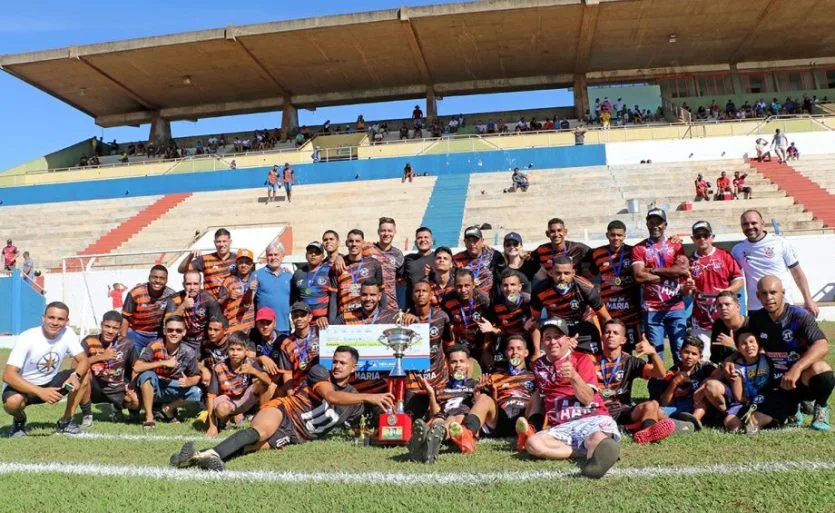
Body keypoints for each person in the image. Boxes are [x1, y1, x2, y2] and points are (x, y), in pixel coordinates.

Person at [170, 345, 394, 471]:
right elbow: (331, 396)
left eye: (342, 363)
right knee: (259, 433)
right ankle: (215, 454)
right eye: (335, 361)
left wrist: (382, 436)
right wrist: (369, 397)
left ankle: (194, 458)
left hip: (295, 434)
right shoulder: (320, 372)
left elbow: (357, 431)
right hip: (284, 410)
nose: (336, 366)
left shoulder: (354, 402)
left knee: (254, 447)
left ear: (353, 367)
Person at [521, 318, 621, 479]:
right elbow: (540, 397)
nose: (552, 341)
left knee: (595, 438)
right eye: (547, 337)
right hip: (562, 426)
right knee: (533, 444)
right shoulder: (538, 365)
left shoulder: (582, 359)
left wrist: (574, 376)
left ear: (568, 340)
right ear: (542, 342)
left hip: (590, 418)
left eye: (557, 336)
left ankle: (595, 460)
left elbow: (588, 398)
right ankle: (586, 452)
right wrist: (532, 424)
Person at [746, 276, 832, 430]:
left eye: (773, 292)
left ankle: (821, 408)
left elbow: (822, 345)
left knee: (822, 369)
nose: (769, 298)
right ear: (758, 296)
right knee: (752, 423)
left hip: (801, 379)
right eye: (764, 293)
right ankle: (792, 410)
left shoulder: (799, 315)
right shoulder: (756, 320)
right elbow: (745, 342)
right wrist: (732, 356)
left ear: (782, 293)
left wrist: (797, 368)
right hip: (776, 383)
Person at [437, 336, 536, 455]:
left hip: (524, 416)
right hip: (501, 418)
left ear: (526, 352)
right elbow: (487, 405)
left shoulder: (534, 376)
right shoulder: (494, 376)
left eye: (519, 349)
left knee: (538, 395)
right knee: (484, 398)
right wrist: (489, 392)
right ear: (506, 353)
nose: (515, 352)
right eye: (510, 349)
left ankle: (529, 433)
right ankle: (466, 435)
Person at [2, 302, 90, 436]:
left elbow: (84, 360)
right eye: (51, 317)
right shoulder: (27, 337)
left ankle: (66, 421)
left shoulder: (68, 333)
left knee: (85, 374)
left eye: (60, 319)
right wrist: (40, 392)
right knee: (13, 403)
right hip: (25, 387)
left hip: (51, 383)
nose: (55, 322)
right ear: (43, 318)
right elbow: (8, 376)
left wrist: (75, 376)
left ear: (67, 321)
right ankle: (19, 420)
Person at [594, 319, 676, 443]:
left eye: (615, 333)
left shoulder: (630, 361)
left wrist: (653, 354)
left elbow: (660, 374)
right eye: (607, 332)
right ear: (602, 337)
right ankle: (640, 428)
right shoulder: (591, 360)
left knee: (652, 405)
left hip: (622, 411)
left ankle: (645, 434)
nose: (610, 335)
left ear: (623, 340)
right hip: (598, 412)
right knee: (658, 414)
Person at [731, 210, 818, 317]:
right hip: (756, 307)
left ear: (762, 223)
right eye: (745, 224)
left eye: (754, 223)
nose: (750, 227)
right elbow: (733, 278)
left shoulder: (780, 242)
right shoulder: (737, 250)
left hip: (783, 304)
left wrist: (808, 299)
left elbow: (797, 272)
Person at [632, 208, 690, 362]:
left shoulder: (676, 245)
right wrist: (670, 274)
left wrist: (654, 270)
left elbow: (682, 269)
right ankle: (658, 386)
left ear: (665, 225)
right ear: (647, 224)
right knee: (655, 354)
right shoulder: (639, 248)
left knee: (680, 350)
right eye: (651, 222)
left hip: (675, 306)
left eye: (659, 222)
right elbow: (639, 276)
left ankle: (680, 385)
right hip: (652, 307)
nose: (655, 226)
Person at [690, 330, 772, 433]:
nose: (749, 346)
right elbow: (738, 397)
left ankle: (761, 421)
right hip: (744, 402)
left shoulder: (767, 359)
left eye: (752, 342)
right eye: (743, 343)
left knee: (762, 417)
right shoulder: (734, 365)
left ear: (758, 344)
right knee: (732, 424)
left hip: (765, 400)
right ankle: (725, 416)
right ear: (738, 348)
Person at [683, 221, 743, 360]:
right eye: (698, 236)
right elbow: (686, 292)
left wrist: (725, 292)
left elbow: (739, 281)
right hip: (701, 320)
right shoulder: (689, 261)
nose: (702, 238)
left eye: (705, 235)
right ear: (693, 239)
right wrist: (688, 288)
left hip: (725, 320)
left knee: (731, 358)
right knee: (703, 360)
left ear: (712, 237)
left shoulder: (724, 256)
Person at [408, 345, 478, 463]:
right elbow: (436, 413)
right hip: (443, 416)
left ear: (468, 364)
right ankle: (428, 438)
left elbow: (478, 407)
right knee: (437, 421)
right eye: (454, 362)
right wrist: (431, 393)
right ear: (448, 365)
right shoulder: (441, 387)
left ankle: (430, 439)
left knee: (454, 418)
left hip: (460, 420)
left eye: (462, 361)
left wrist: (477, 393)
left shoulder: (474, 385)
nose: (458, 365)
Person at [530, 256, 611, 352]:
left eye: (566, 273)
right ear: (551, 273)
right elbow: (535, 321)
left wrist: (608, 346)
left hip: (584, 327)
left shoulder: (587, 288)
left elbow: (606, 317)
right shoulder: (540, 290)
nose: (562, 278)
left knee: (592, 363)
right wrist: (536, 351)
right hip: (557, 329)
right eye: (558, 273)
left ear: (573, 273)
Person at [134, 315, 202, 429]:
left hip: (171, 387)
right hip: (153, 385)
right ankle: (149, 417)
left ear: (184, 332)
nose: (174, 333)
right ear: (165, 331)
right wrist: (163, 363)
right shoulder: (155, 345)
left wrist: (189, 381)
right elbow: (137, 367)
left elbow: (196, 376)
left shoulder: (189, 352)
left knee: (197, 392)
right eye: (170, 330)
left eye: (178, 330)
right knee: (146, 375)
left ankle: (168, 409)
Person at [401, 281, 454, 418]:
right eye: (417, 291)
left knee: (440, 416)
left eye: (424, 291)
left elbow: (449, 344)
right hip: (415, 380)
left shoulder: (442, 317)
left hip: (438, 378)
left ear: (431, 295)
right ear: (412, 296)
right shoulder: (403, 319)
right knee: (410, 418)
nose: (420, 294)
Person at [79, 311, 139, 426]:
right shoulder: (89, 340)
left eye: (115, 328)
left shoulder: (127, 344)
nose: (110, 331)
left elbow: (135, 368)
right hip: (94, 387)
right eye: (107, 326)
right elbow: (77, 364)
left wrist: (131, 386)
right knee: (84, 373)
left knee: (135, 400)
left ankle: (122, 409)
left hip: (116, 387)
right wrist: (102, 357)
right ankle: (87, 414)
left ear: (120, 329)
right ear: (101, 325)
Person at [205, 332, 271, 436]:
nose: (235, 353)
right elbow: (210, 396)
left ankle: (261, 418)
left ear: (246, 351)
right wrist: (212, 426)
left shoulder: (250, 363)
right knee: (222, 409)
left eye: (239, 349)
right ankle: (223, 420)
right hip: (227, 400)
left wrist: (254, 371)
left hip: (243, 400)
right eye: (232, 349)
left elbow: (268, 381)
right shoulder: (219, 367)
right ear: (227, 350)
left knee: (263, 385)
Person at [440, 269, 493, 371]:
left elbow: (488, 329)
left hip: (479, 342)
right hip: (458, 343)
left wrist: (486, 351)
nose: (463, 290)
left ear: (473, 285)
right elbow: (449, 329)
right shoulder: (447, 300)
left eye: (467, 285)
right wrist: (452, 351)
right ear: (454, 286)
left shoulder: (483, 300)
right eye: (459, 286)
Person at [652, 338, 716, 420]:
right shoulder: (672, 372)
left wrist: (705, 383)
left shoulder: (706, 369)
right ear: (680, 352)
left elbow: (719, 376)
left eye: (694, 354)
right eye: (686, 352)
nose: (689, 356)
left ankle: (693, 421)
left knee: (703, 401)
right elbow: (664, 403)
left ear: (700, 357)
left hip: (699, 406)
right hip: (678, 406)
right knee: (658, 412)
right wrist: (674, 383)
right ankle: (679, 422)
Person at [478, 270, 532, 362]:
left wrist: (529, 330)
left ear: (519, 287)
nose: (509, 289)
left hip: (527, 341)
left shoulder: (528, 301)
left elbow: (536, 324)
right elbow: (497, 330)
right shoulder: (496, 304)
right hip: (507, 342)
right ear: (501, 288)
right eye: (505, 285)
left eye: (513, 284)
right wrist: (486, 351)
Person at [165, 271, 223, 353]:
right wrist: (183, 306)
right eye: (188, 284)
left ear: (200, 284)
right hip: (180, 339)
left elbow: (217, 323)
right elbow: (166, 321)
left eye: (195, 284)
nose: (192, 287)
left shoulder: (208, 299)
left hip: (201, 341)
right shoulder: (174, 299)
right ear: (183, 284)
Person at [121, 265, 175, 352]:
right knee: (131, 359)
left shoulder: (171, 295)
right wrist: (122, 340)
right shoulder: (135, 292)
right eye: (155, 277)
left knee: (160, 360)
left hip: (157, 334)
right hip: (136, 332)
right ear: (149, 277)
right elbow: (125, 317)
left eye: (162, 278)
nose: (158, 281)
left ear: (166, 280)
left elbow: (169, 319)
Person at [331, 230, 383, 317]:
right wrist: (332, 322)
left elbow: (381, 293)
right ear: (347, 243)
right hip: (345, 317)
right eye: (351, 241)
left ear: (362, 243)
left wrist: (382, 316)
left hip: (367, 317)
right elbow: (333, 297)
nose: (354, 244)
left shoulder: (373, 264)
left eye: (357, 241)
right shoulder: (338, 265)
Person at [179, 228, 235, 300]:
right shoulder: (205, 259)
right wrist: (190, 256)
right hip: (211, 303)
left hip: (231, 304)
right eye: (218, 242)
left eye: (224, 241)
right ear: (214, 243)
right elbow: (182, 270)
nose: (221, 244)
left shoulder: (237, 259)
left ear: (230, 242)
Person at [364, 217, 405, 312]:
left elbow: (400, 279)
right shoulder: (366, 249)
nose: (386, 234)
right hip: (370, 305)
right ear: (378, 232)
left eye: (390, 231)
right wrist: (339, 257)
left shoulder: (398, 254)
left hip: (391, 306)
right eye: (383, 231)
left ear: (395, 232)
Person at [254, 243, 293, 336]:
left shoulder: (289, 276)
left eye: (276, 254)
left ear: (282, 256)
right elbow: (248, 302)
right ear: (266, 257)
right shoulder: (257, 275)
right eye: (270, 255)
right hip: (265, 328)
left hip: (285, 327)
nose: (273, 257)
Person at [454, 226, 503, 299]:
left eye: (475, 240)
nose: (472, 244)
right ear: (464, 241)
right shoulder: (456, 259)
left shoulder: (493, 255)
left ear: (482, 241)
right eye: (469, 240)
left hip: (489, 302)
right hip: (466, 302)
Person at [218, 249, 259, 334]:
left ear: (251, 265)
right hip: (232, 329)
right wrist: (228, 296)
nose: (244, 265)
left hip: (249, 329)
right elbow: (218, 303)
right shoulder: (228, 281)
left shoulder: (256, 280)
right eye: (241, 262)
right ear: (236, 264)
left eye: (247, 262)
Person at [290, 241, 332, 322]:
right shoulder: (298, 273)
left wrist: (329, 317)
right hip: (304, 320)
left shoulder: (329, 270)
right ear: (306, 255)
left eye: (317, 253)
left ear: (323, 256)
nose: (313, 255)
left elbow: (334, 296)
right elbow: (294, 297)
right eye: (310, 252)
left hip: (323, 320)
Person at [709, 291, 748, 365]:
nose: (723, 308)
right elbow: (715, 358)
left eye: (727, 304)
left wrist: (733, 345)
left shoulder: (750, 325)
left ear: (738, 307)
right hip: (726, 367)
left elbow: (757, 356)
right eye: (719, 305)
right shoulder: (718, 325)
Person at [402, 227, 435, 310]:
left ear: (432, 241)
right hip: (412, 308)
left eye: (426, 237)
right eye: (419, 238)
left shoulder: (439, 258)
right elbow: (399, 279)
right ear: (415, 242)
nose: (423, 240)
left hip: (435, 307)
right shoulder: (407, 259)